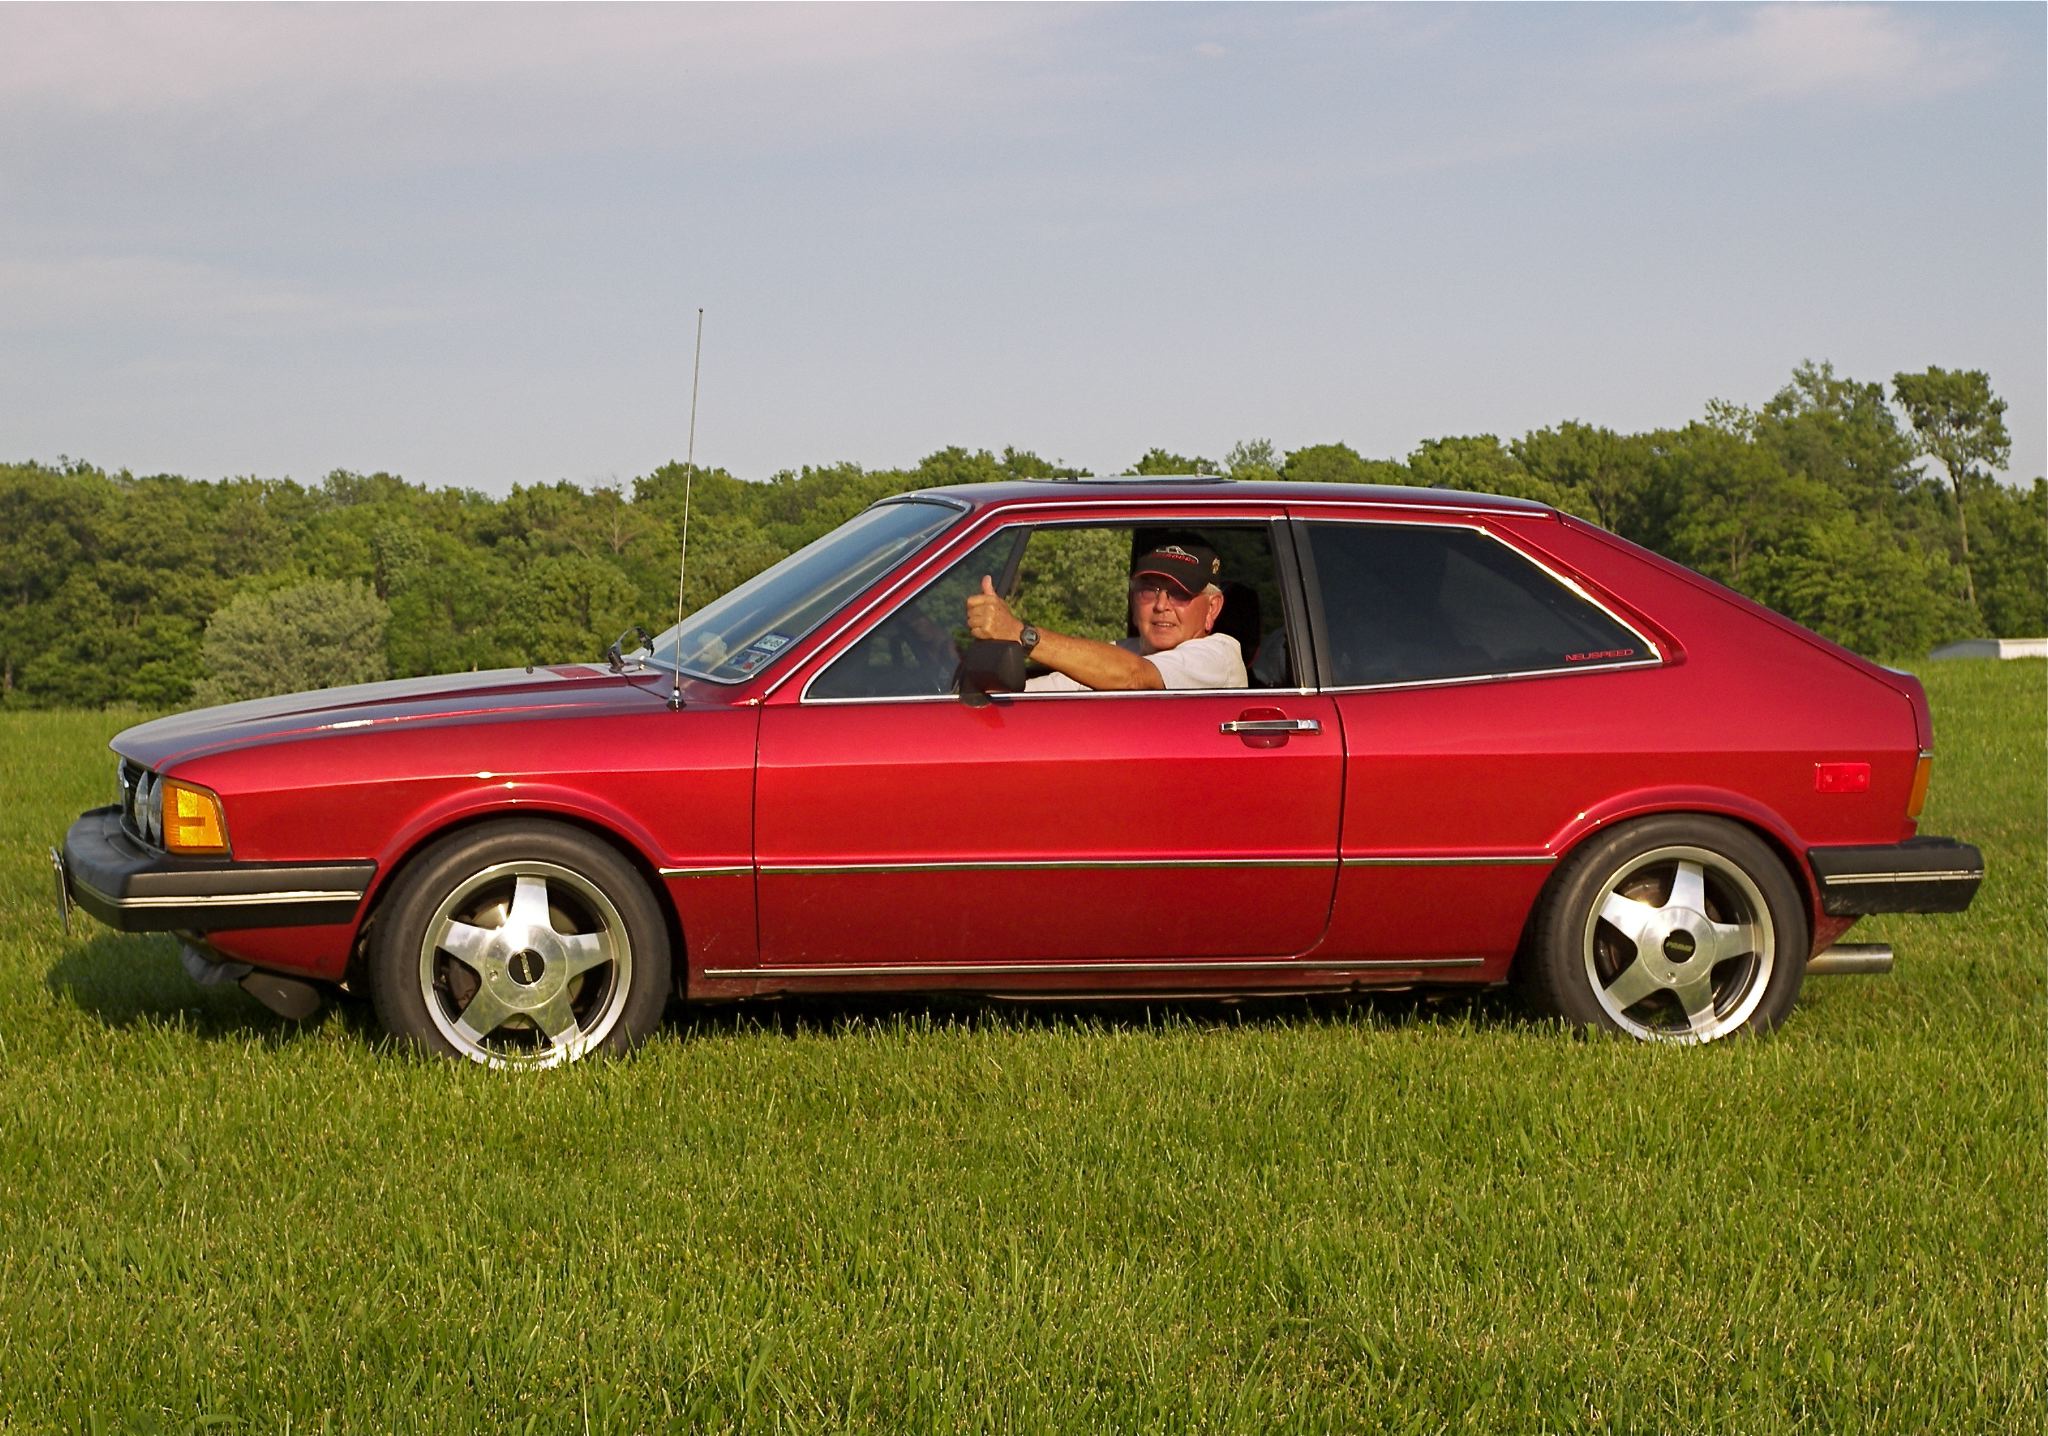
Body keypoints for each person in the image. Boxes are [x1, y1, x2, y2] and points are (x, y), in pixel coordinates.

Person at [965, 541, 1248, 691]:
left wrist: (1019, 634)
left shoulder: (1218, 656)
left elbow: (1134, 676)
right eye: (1149, 591)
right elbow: (1050, 690)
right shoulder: (1125, 652)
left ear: (1212, 608)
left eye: (1179, 594)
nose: (1161, 605)